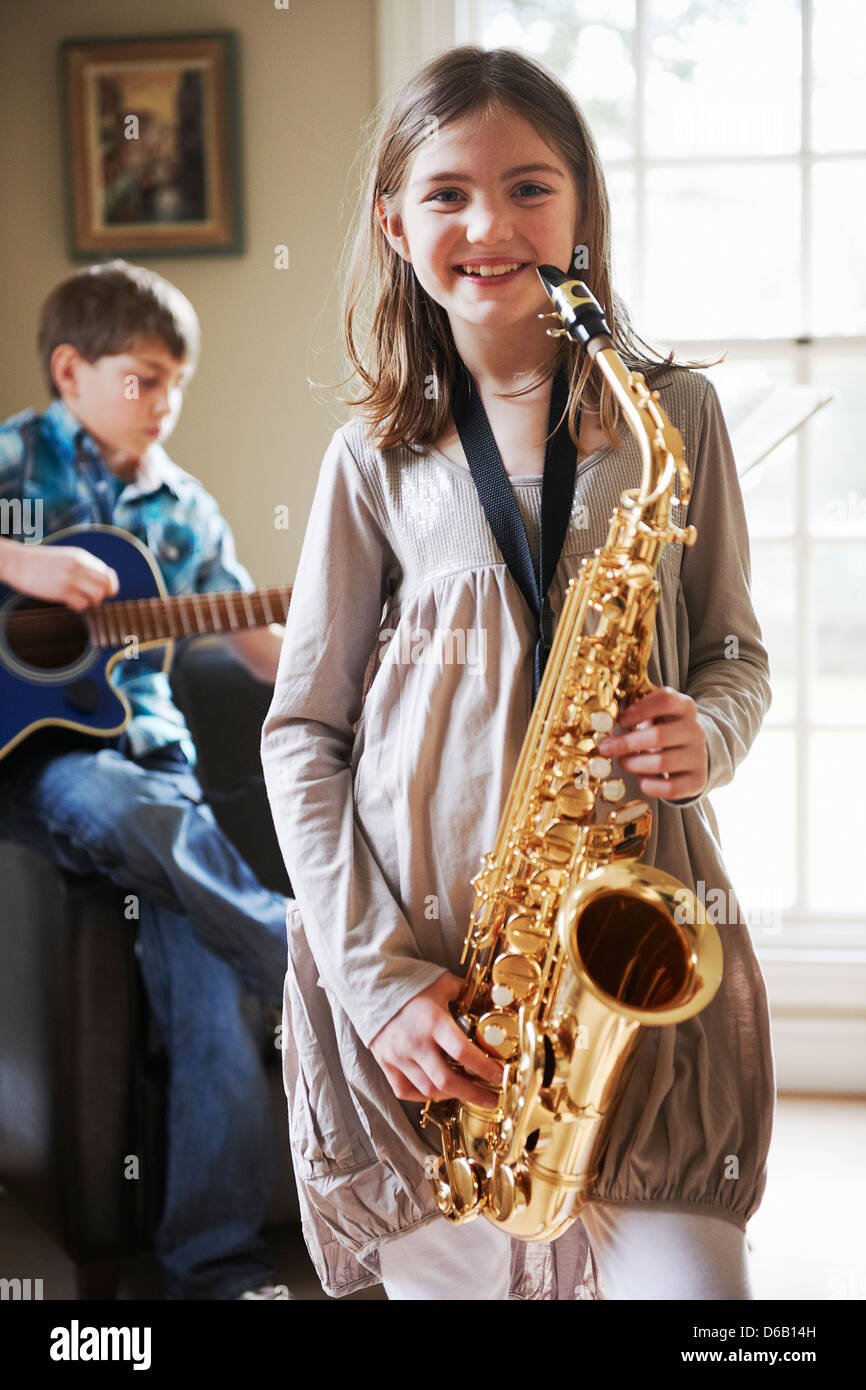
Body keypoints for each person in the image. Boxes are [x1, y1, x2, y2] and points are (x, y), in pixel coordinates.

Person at [260, 46, 775, 1302]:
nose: (488, 225)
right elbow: (302, 736)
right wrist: (379, 986)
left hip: (630, 942)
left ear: (581, 212)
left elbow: (733, 654)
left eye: (528, 189)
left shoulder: (673, 417)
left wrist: (706, 730)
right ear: (393, 223)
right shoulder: (371, 455)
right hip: (429, 984)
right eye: (445, 194)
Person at [0, 260, 292, 1300]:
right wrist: (20, 566)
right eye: (145, 379)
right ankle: (301, 954)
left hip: (155, 762)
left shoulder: (185, 507)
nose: (166, 403)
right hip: (40, 764)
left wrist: (340, 631)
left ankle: (216, 1273)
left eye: (179, 383)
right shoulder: (15, 460)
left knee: (208, 1002)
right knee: (108, 795)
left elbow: (257, 645)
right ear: (70, 370)